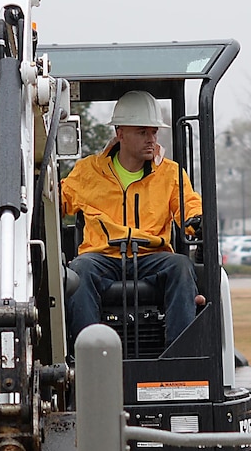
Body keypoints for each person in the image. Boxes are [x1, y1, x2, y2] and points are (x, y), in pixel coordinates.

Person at [60, 89, 204, 344]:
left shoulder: (170, 174)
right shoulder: (87, 172)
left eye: (153, 132)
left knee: (181, 266)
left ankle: (180, 357)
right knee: (79, 271)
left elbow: (188, 204)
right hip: (102, 258)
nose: (151, 139)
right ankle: (89, 354)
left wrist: (196, 220)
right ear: (120, 133)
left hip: (151, 258)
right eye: (142, 132)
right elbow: (57, 202)